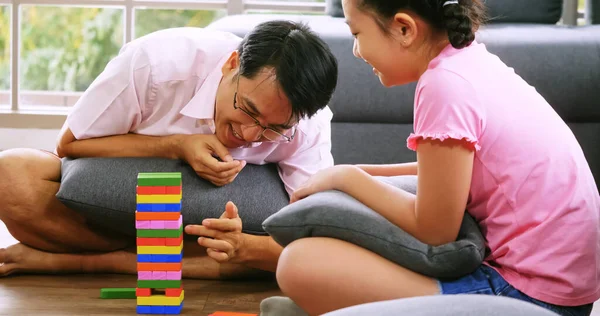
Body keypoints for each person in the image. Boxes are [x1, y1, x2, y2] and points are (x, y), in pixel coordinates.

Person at [275, 1, 600, 316]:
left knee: (299, 265)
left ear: (404, 28)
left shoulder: (444, 86)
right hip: (566, 290)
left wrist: (347, 179)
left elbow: (434, 230)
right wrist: (356, 171)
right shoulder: (470, 61)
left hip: (528, 296)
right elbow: (455, 174)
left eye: (357, 34)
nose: (356, 51)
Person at [0, 20, 338, 279]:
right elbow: (71, 144)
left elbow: (310, 237)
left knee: (287, 257)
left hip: (207, 236)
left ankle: (88, 262)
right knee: (10, 175)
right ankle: (147, 260)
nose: (250, 135)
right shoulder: (156, 64)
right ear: (231, 64)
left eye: (273, 129)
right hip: (111, 218)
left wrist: (244, 246)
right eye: (247, 110)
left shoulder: (308, 124)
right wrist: (175, 145)